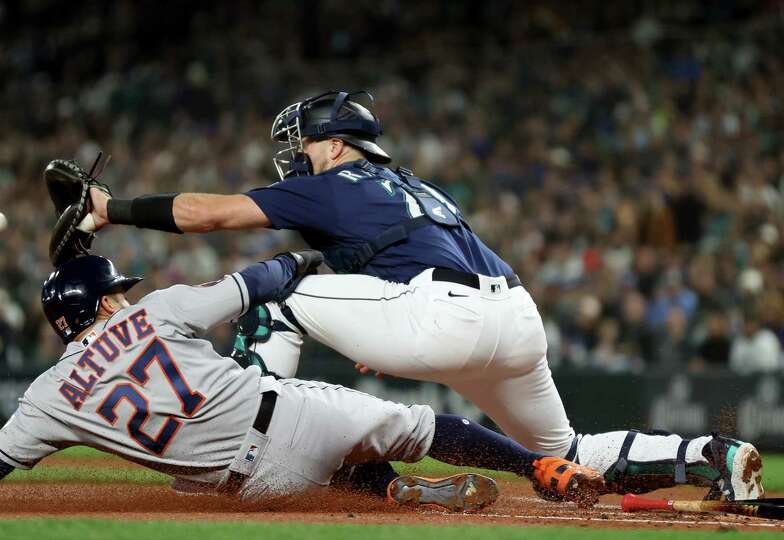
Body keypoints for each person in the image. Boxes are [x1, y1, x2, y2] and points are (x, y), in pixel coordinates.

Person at [73, 90, 764, 501]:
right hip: (514, 317)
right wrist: (379, 319)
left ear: (334, 142)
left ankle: (242, 450)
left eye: (303, 145)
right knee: (574, 449)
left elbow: (212, 214)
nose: (295, 158)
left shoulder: (331, 182)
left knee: (280, 289)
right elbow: (397, 256)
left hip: (438, 314)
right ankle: (714, 454)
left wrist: (113, 209)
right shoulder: (412, 185)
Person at [0, 253, 604, 509]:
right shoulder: (156, 311)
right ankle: (536, 464)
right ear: (105, 302)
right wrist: (300, 263)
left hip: (244, 488)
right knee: (419, 426)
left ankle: (390, 492)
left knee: (317, 482)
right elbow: (257, 283)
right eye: (114, 289)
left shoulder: (49, 396)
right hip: (288, 415)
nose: (124, 293)